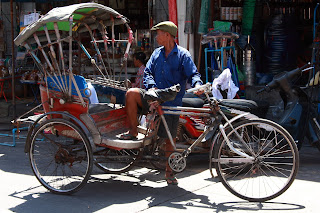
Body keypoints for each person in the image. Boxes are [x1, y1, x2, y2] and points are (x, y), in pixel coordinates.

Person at [120, 21, 203, 185]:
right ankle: (133, 131)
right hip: (153, 95)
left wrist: (198, 85)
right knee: (131, 94)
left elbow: (193, 73)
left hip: (170, 102)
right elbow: (148, 72)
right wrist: (152, 89)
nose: (156, 37)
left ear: (167, 35)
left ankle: (169, 172)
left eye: (158, 33)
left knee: (169, 139)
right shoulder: (157, 54)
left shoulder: (183, 55)